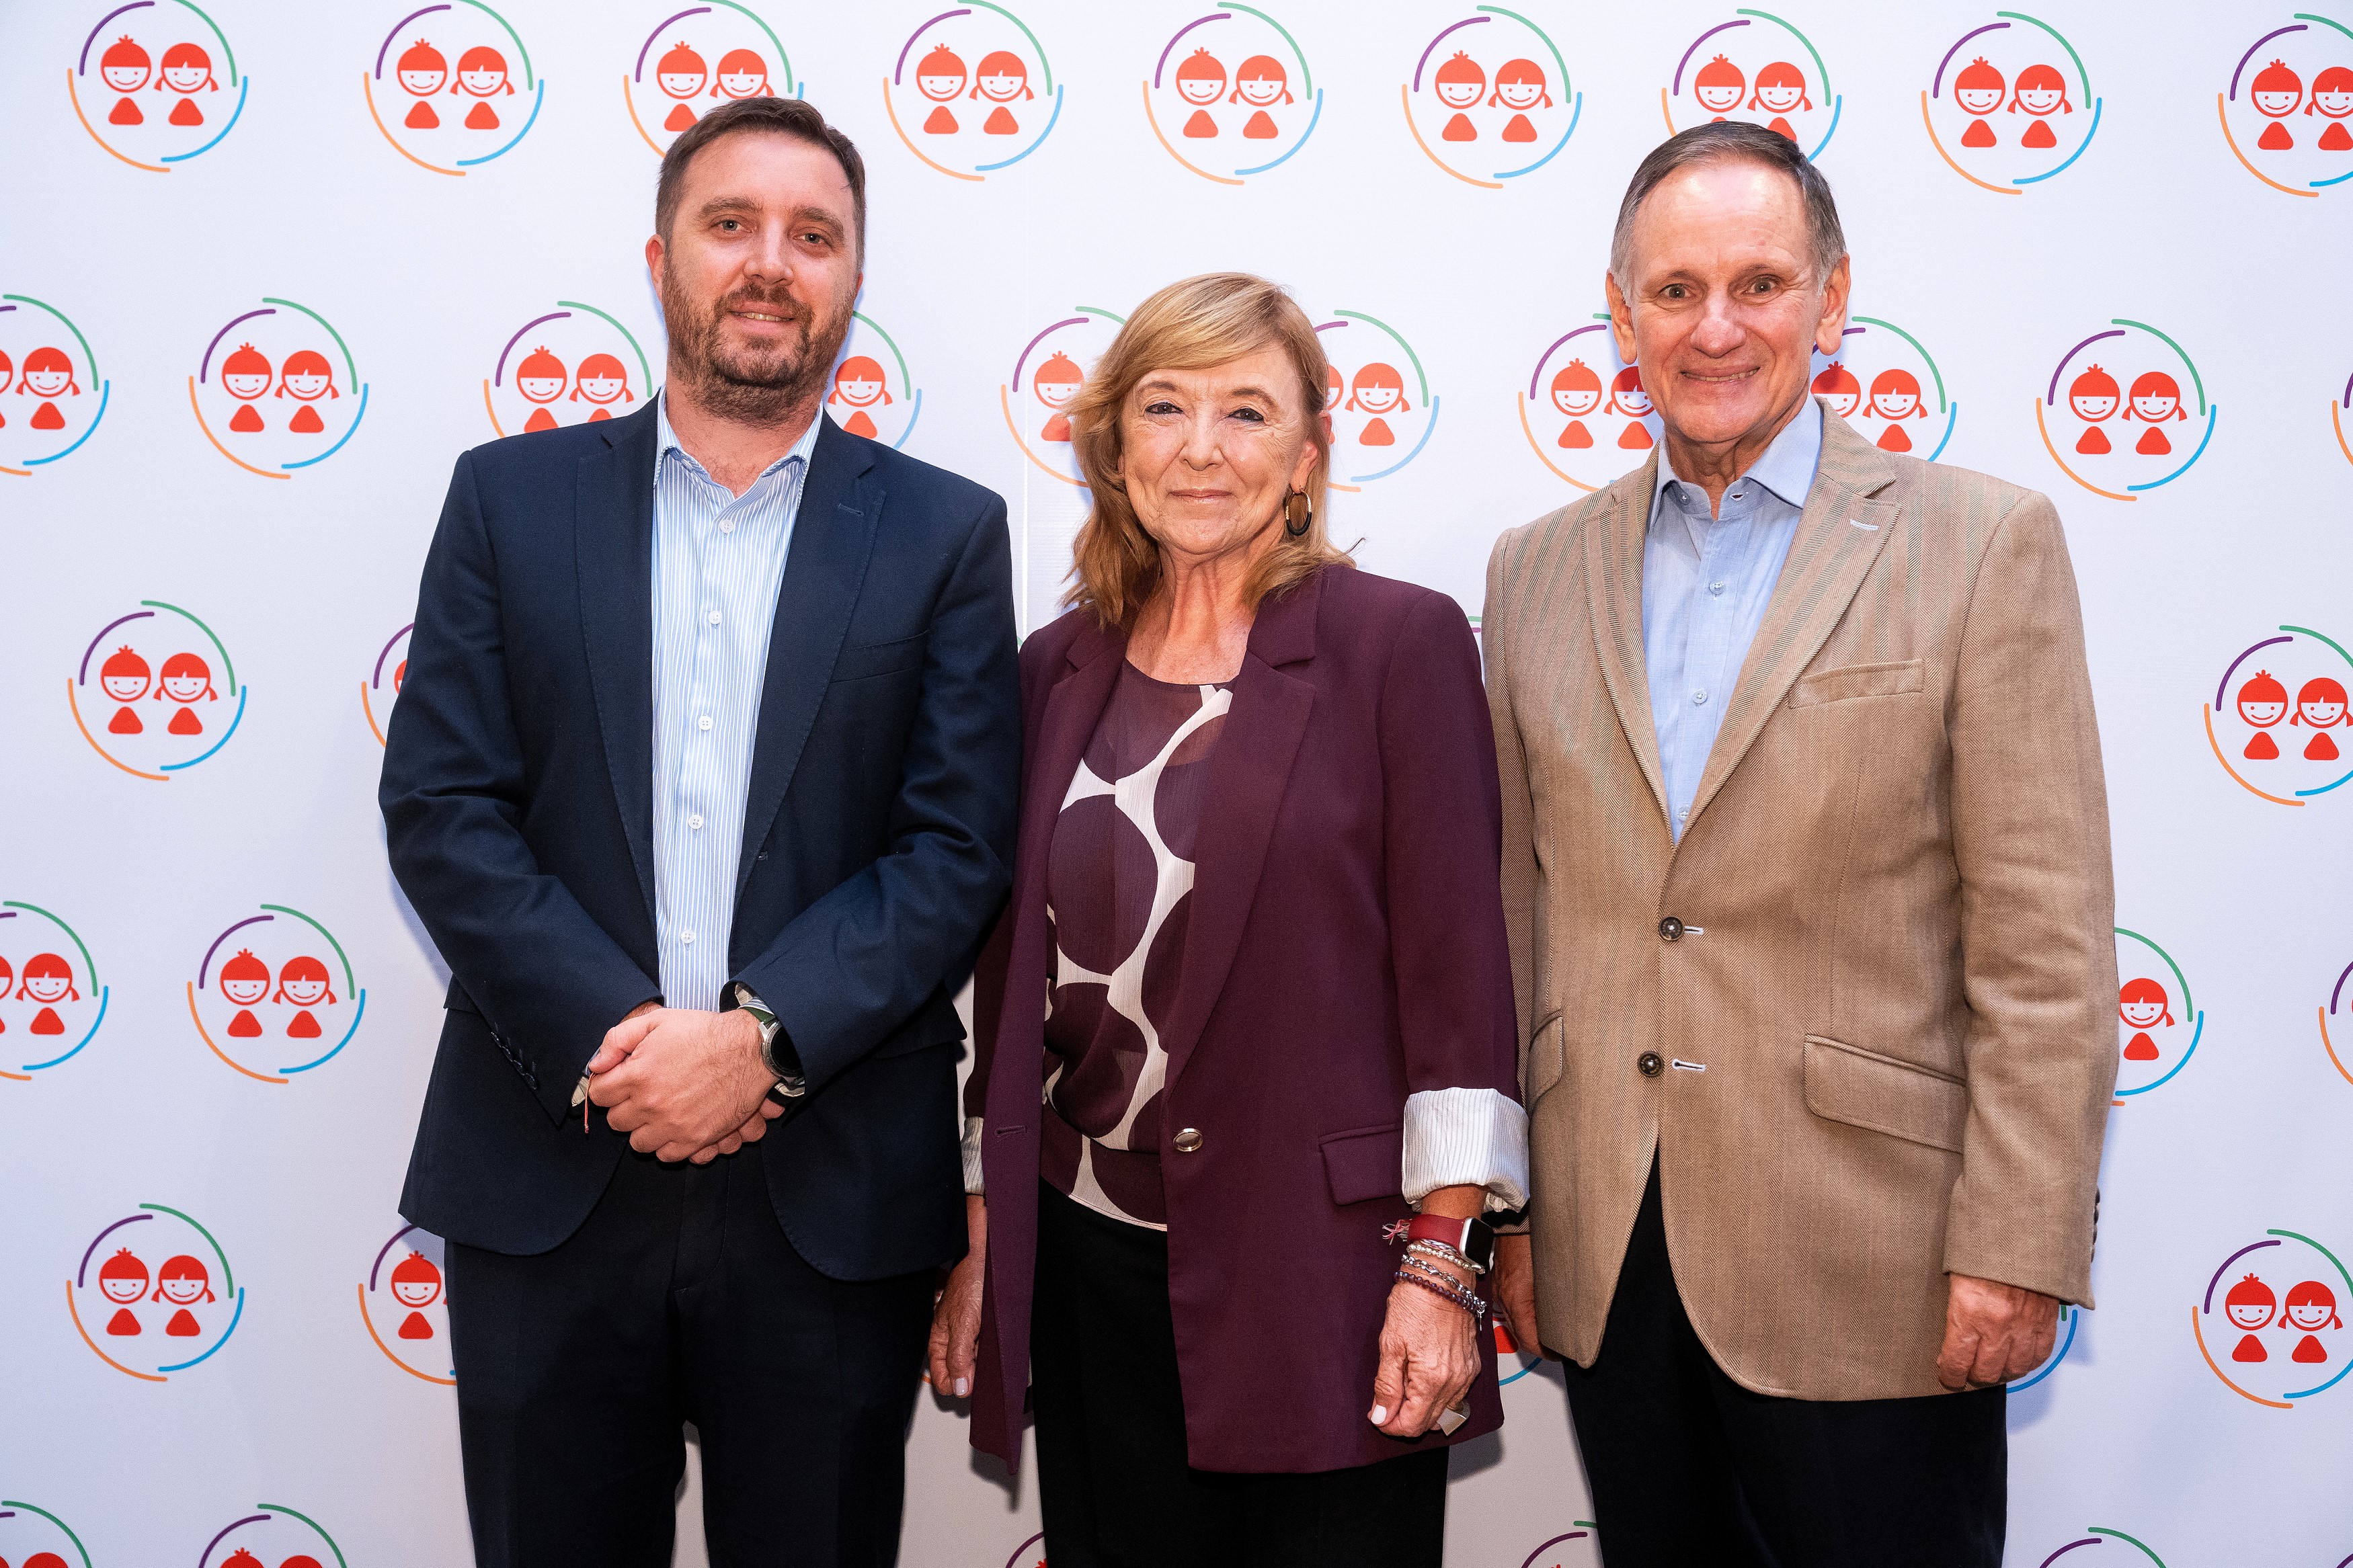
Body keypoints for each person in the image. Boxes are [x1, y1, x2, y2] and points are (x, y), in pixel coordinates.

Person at [380, 96, 1020, 1567]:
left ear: (854, 282)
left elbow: (953, 846)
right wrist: (628, 1043)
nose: (769, 264)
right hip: (552, 1163)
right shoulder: (509, 501)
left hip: (829, 1190)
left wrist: (757, 1043)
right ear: (660, 255)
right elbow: (441, 803)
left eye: (814, 236)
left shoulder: (944, 533)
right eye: (731, 224)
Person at [1482, 122, 2116, 1567]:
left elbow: (2045, 939)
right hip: (1611, 1249)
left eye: (1759, 283)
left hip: (1874, 1260)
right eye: (1675, 290)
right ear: (1619, 311)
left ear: (1833, 303)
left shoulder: (1980, 544)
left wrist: (2016, 1243)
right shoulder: (1530, 572)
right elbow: (1518, 917)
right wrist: (1510, 1213)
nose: (1715, 328)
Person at [928, 273, 1526, 1567]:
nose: (1203, 447)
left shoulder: (1398, 646)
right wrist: (991, 1245)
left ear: (1309, 455)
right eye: (1165, 406)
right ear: (1114, 447)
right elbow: (1008, 993)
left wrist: (1441, 1264)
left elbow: (1460, 986)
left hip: (1327, 1280)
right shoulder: (1052, 668)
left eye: (1247, 412)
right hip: (1090, 1274)